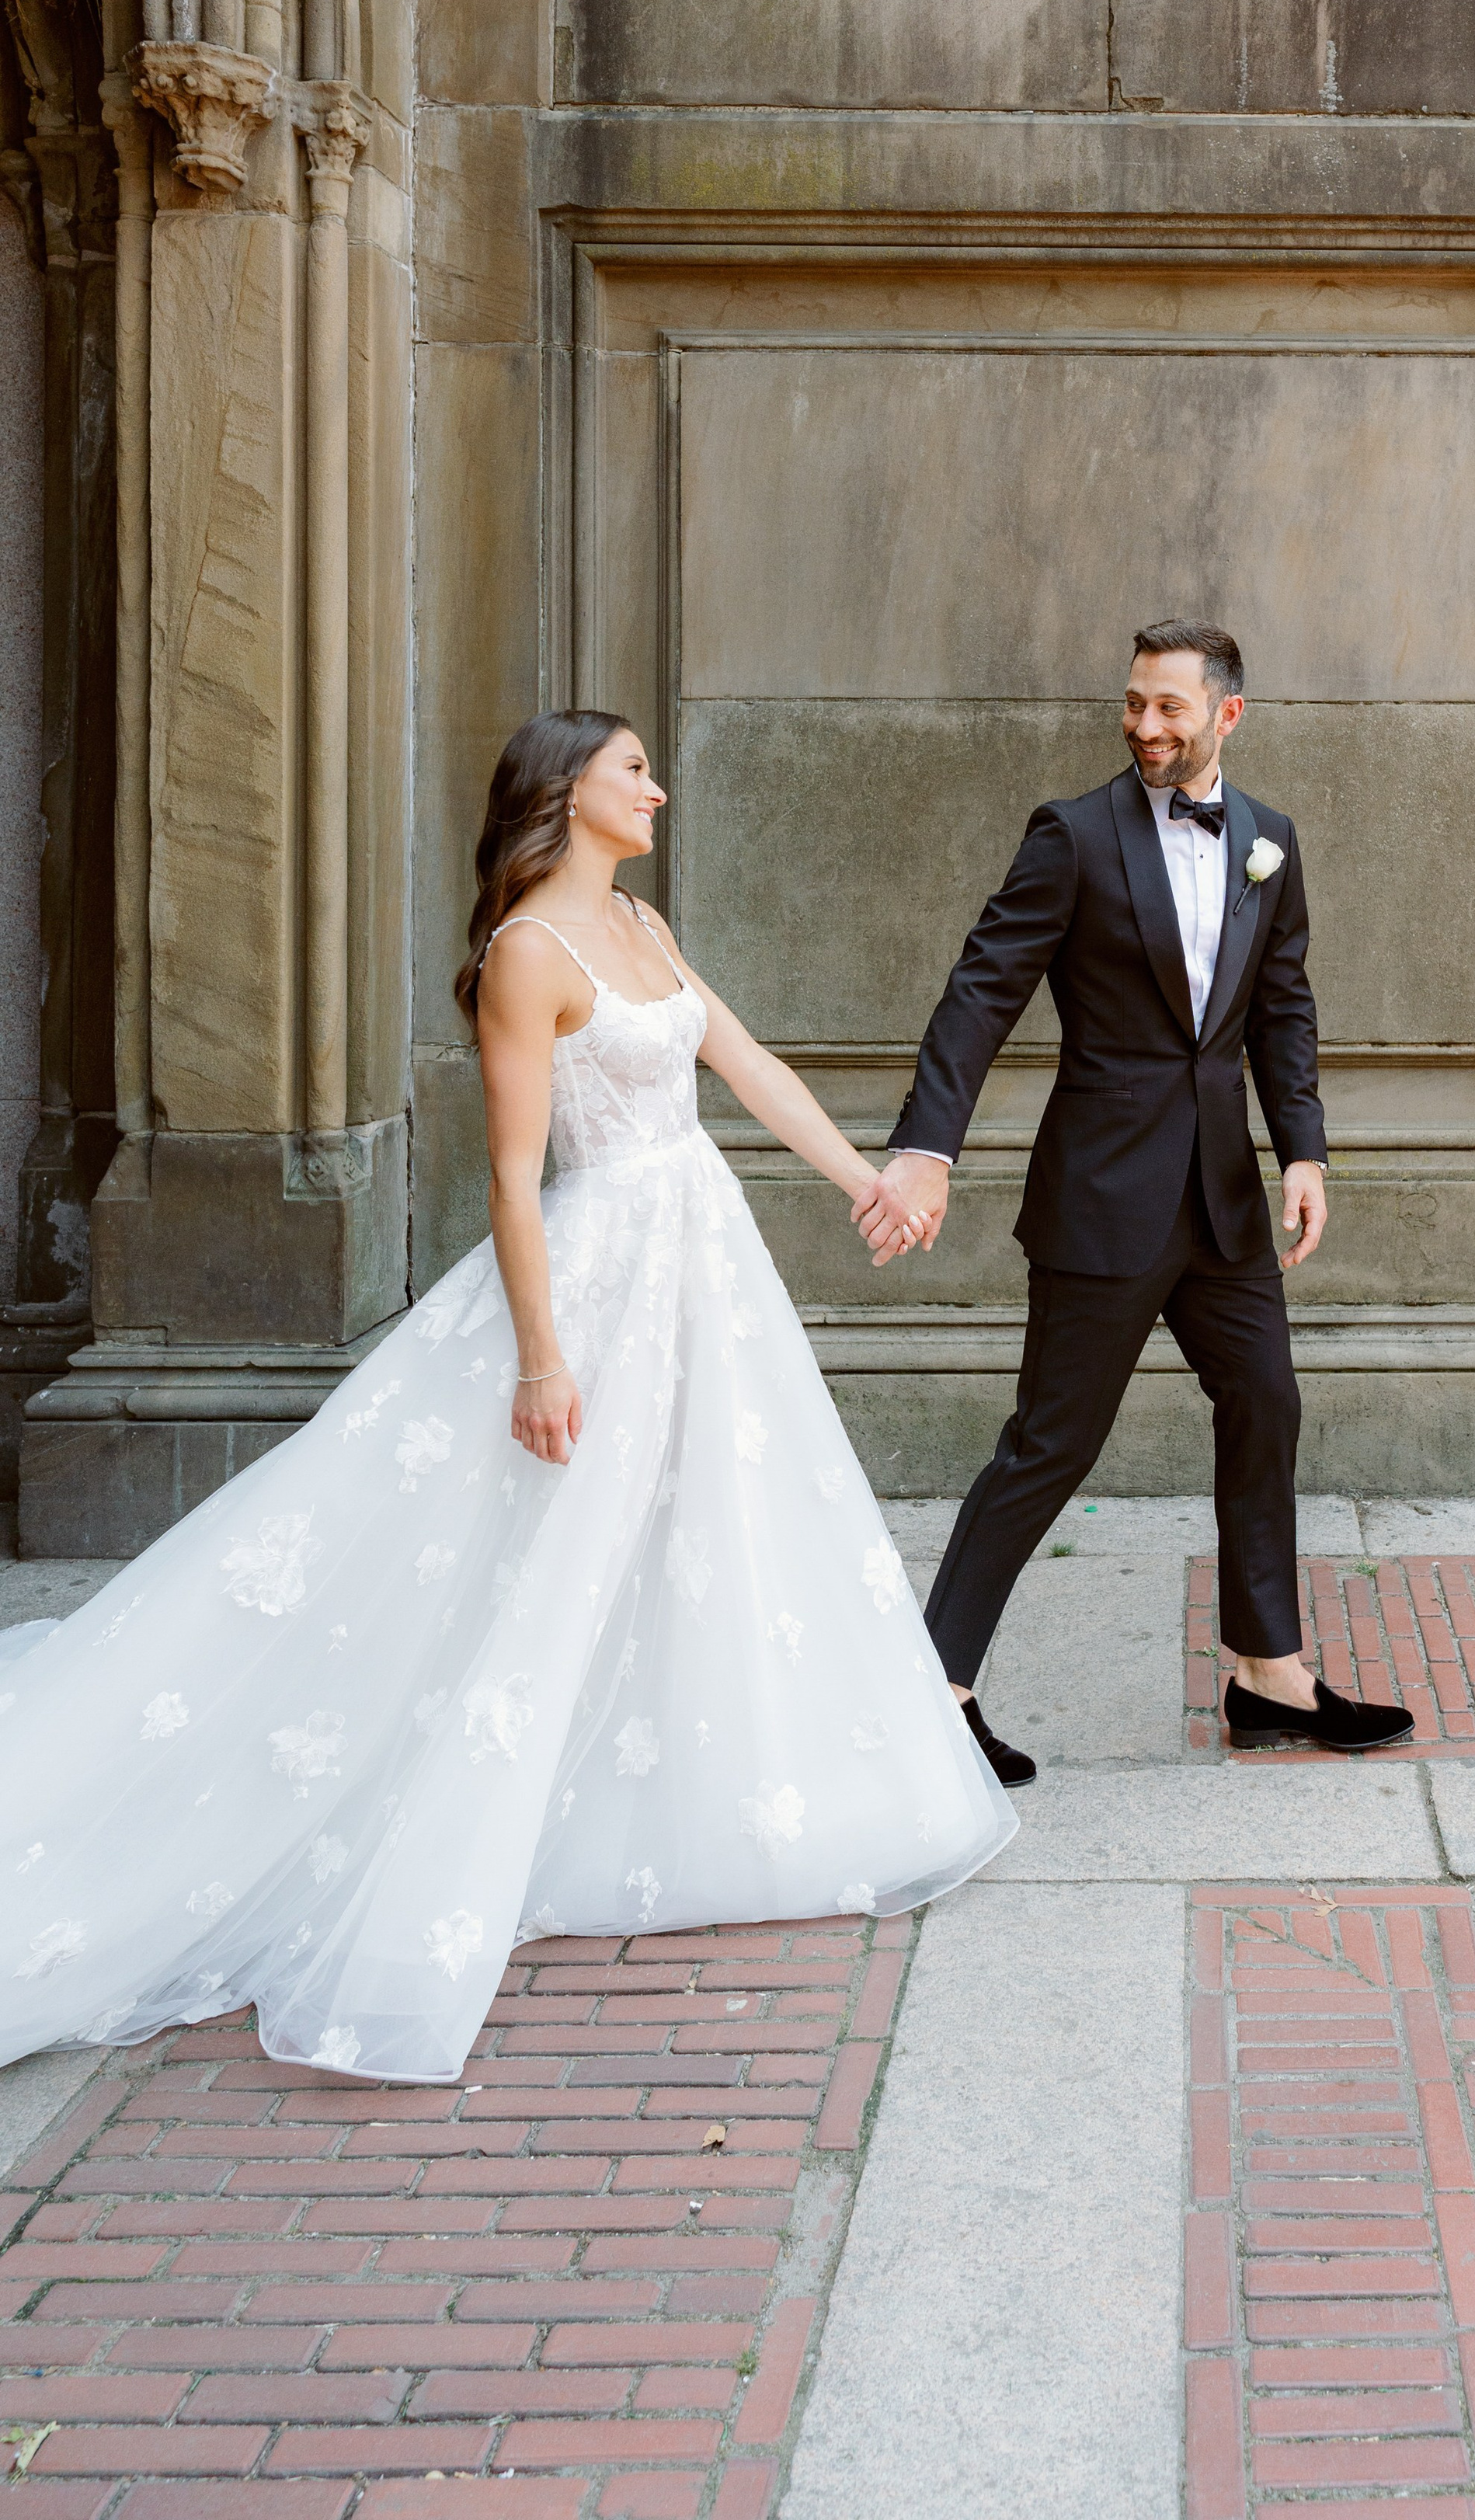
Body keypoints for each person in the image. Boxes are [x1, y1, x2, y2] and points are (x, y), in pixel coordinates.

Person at [0, 710, 1014, 2087]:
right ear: (567, 795)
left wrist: (867, 1183)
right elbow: (514, 1177)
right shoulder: (524, 960)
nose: (655, 788)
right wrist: (543, 1360)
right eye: (632, 771)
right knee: (532, 1537)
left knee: (694, 1522)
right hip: (593, 1278)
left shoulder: (644, 927)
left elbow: (748, 1065)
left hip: (698, 1268)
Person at [876, 620, 1417, 1780]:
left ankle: (1268, 1676)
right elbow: (980, 991)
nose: (1145, 727)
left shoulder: (1269, 841)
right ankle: (938, 1689)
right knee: (1051, 1445)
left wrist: (1304, 1152)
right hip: (1104, 1198)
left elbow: (1283, 1004)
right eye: (1134, 704)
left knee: (1266, 1401)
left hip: (1223, 1200)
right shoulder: (1072, 837)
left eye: (1170, 707)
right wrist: (928, 1146)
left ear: (1228, 714)